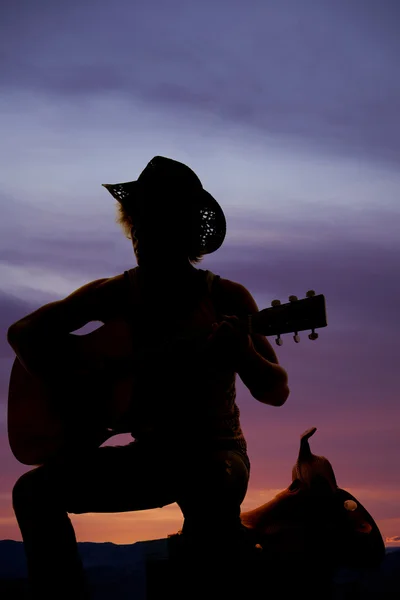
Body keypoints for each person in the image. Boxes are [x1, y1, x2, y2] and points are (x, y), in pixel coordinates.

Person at [8, 156, 290, 599]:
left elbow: (276, 391)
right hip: (151, 456)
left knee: (208, 482)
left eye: (152, 220)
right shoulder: (117, 293)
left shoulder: (226, 298)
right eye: (136, 220)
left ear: (179, 230)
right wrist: (79, 396)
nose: (140, 233)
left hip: (217, 453)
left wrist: (244, 354)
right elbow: (23, 334)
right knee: (33, 492)